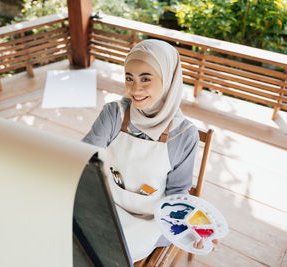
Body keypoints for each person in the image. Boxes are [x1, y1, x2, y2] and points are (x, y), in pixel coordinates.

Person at [82, 39, 217, 264]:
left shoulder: (183, 135)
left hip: (151, 221)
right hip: (108, 206)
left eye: (146, 78)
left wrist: (195, 231)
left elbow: (177, 195)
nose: (135, 89)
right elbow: (83, 155)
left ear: (169, 80)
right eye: (129, 78)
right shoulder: (114, 114)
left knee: (109, 254)